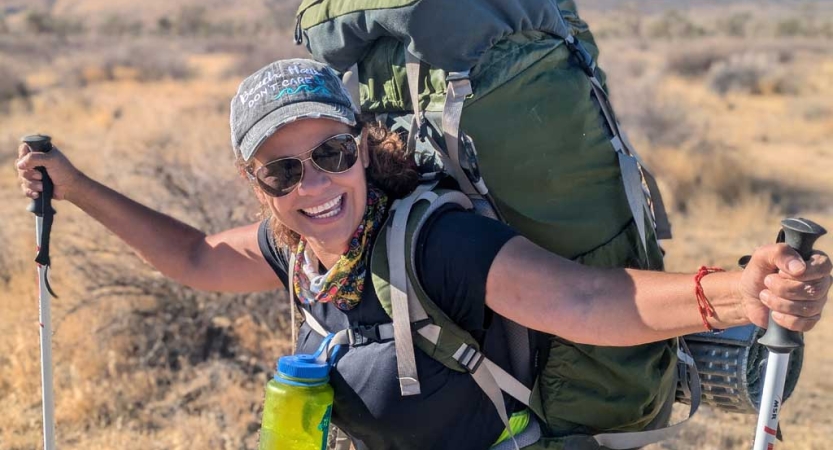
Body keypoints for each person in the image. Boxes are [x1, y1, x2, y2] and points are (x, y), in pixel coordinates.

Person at [16, 59, 832, 450]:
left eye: (334, 151)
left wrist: (736, 294)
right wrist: (78, 186)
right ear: (254, 181)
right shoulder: (296, 247)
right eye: (282, 169)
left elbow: (585, 302)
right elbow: (195, 256)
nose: (316, 183)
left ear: (362, 148)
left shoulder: (434, 242)